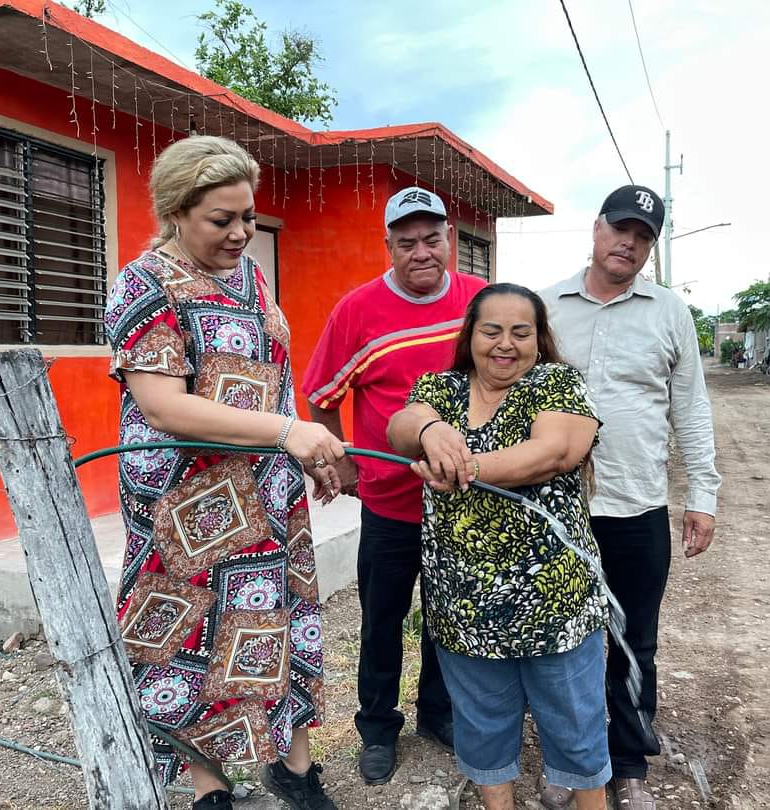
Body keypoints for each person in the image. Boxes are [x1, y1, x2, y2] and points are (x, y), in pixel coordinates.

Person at [103, 136, 343, 810]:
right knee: (195, 637)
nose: (240, 232)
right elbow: (163, 403)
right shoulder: (143, 283)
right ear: (177, 211)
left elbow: (274, 374)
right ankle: (210, 782)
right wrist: (287, 432)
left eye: (247, 217)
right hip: (188, 502)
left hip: (267, 490)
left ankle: (292, 766)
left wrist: (310, 451)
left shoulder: (251, 277)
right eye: (221, 220)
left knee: (274, 619)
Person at [386, 283, 611, 810]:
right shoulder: (440, 389)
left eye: (520, 331)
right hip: (464, 601)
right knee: (483, 724)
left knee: (575, 726)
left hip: (555, 602)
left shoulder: (557, 383)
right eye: (491, 330)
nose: (504, 343)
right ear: (471, 336)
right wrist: (430, 429)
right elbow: (400, 426)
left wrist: (463, 467)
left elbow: (556, 451)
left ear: (539, 339)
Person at [539, 185, 721, 810]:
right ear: (595, 229)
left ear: (651, 247)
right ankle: (569, 761)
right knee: (561, 639)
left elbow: (691, 410)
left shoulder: (670, 313)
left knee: (633, 637)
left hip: (637, 505)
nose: (629, 242)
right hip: (553, 510)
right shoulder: (546, 307)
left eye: (643, 236)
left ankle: (629, 762)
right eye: (621, 228)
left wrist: (703, 495)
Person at [303, 186, 485, 784]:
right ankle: (377, 727)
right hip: (390, 505)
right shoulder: (357, 310)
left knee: (448, 618)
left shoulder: (480, 301)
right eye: (406, 243)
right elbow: (321, 393)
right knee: (383, 622)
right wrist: (348, 466)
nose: (422, 253)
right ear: (389, 247)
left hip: (465, 502)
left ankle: (437, 713)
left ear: (450, 239)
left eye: (433, 239)